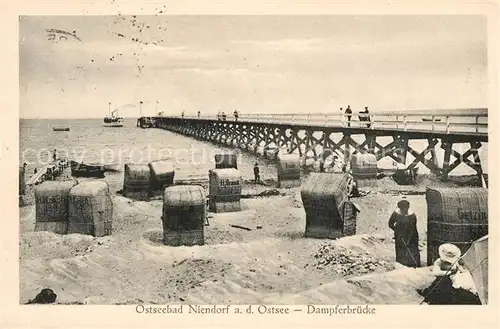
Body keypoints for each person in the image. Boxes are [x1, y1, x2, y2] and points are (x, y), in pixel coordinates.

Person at [388, 198, 421, 268]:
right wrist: (396, 231)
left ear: (408, 208)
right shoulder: (396, 213)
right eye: (402, 209)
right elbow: (390, 224)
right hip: (400, 234)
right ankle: (401, 264)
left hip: (412, 235)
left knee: (412, 249)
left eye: (406, 209)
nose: (404, 211)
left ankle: (414, 264)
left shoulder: (412, 216)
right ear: (400, 208)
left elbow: (413, 228)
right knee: (400, 249)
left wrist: (408, 241)